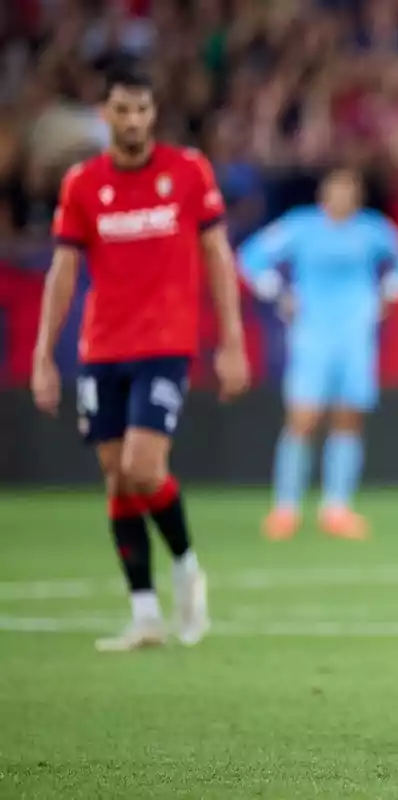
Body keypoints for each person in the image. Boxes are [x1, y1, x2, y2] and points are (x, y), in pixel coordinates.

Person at [30, 62, 250, 652]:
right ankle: (145, 614)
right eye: (121, 110)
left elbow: (217, 257)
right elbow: (63, 270)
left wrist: (231, 341)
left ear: (154, 113)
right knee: (115, 479)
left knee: (143, 468)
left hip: (165, 346)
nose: (132, 120)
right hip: (102, 349)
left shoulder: (187, 172)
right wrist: (44, 356)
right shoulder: (82, 183)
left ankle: (186, 569)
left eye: (142, 109)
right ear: (105, 115)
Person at [238, 169, 398, 541]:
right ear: (323, 195)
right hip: (312, 335)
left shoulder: (371, 229)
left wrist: (391, 290)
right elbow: (250, 258)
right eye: (335, 191)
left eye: (349, 191)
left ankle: (336, 509)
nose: (342, 198)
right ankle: (285, 509)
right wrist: (278, 291)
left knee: (348, 419)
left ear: (357, 196)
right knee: (303, 419)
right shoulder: (301, 227)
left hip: (356, 336)